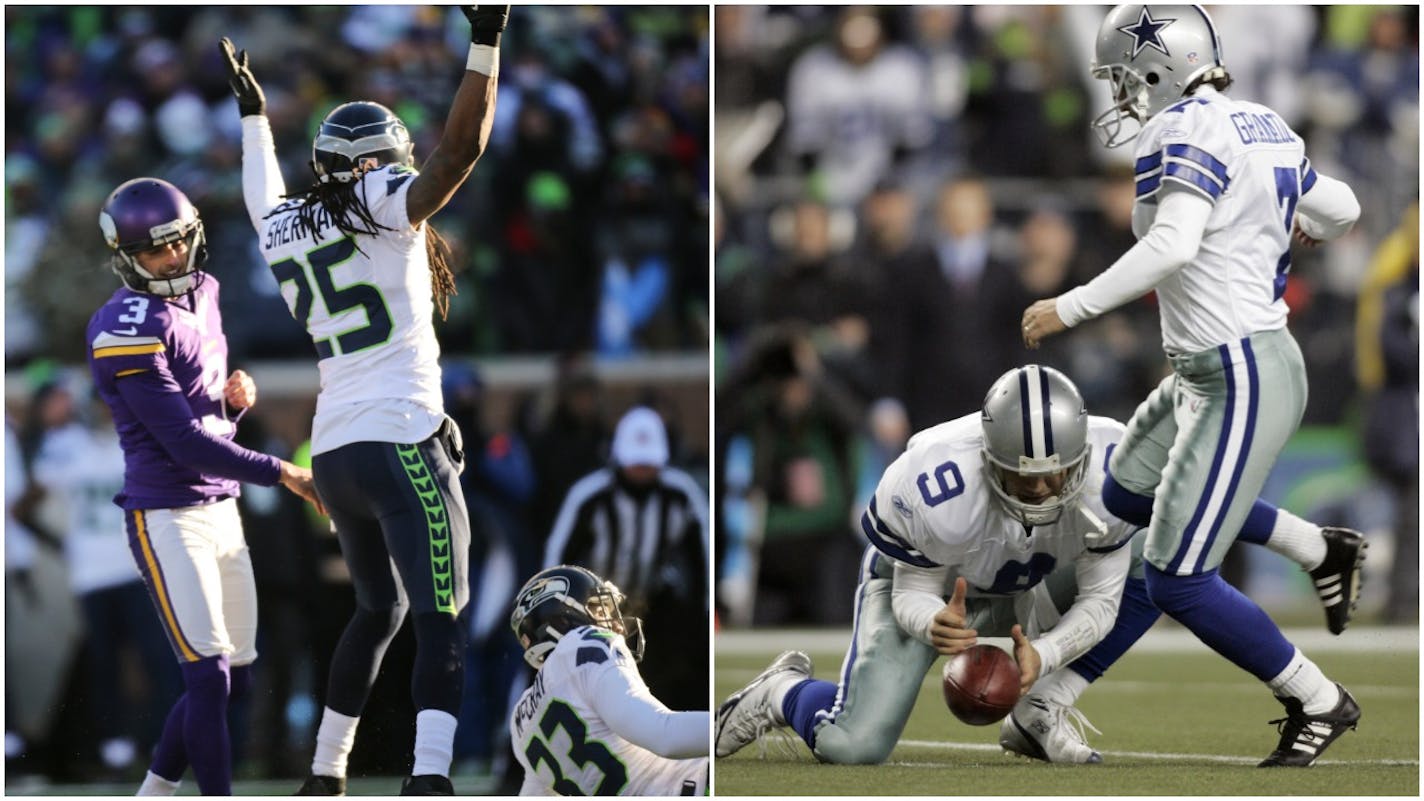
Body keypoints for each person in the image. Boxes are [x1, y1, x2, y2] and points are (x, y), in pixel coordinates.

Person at [1020, 4, 1364, 766]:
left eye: (1124, 77)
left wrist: (1067, 306)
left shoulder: (1179, 129)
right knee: (1119, 506)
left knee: (1177, 576)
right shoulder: (1262, 121)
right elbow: (1343, 207)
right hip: (1210, 371)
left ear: (1157, 68)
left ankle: (1318, 698)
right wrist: (1310, 228)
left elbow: (1171, 243)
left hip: (1240, 371)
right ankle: (1319, 547)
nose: (1121, 94)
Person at [715, 366, 1365, 766]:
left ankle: (1040, 709)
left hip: (1029, 580)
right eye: (1022, 478)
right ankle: (782, 693)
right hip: (939, 587)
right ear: (988, 458)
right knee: (853, 746)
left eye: (1056, 474)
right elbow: (913, 581)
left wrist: (1044, 657)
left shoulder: (1111, 467)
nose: (1041, 490)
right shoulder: (933, 483)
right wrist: (932, 621)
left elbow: (1104, 599)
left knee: (1158, 546)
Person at [220, 5, 508, 794]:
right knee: (440, 613)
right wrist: (484, 47)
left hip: (337, 449)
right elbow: (459, 153)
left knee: (375, 610)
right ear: (378, 163)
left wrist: (254, 121)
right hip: (402, 434)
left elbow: (261, 198)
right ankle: (430, 779)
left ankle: (324, 772)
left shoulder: (288, 226)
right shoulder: (381, 199)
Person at [86, 177, 323, 795]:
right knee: (208, 676)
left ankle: (155, 792)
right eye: (153, 250)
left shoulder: (207, 292)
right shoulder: (122, 325)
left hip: (221, 502)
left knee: (236, 674)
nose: (170, 258)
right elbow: (181, 441)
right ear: (124, 254)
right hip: (167, 512)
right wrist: (285, 472)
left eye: (177, 243)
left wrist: (231, 403)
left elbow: (202, 416)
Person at [542, 406, 709, 712]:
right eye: (636, 463)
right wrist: (559, 614)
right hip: (594, 610)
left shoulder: (680, 494)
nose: (643, 471)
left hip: (652, 606)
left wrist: (705, 612)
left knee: (683, 663)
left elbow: (703, 556)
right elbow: (557, 560)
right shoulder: (590, 496)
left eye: (649, 464)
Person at [508, 565, 709, 795]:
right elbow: (664, 735)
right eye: (597, 609)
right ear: (560, 620)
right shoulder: (584, 646)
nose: (611, 620)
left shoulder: (521, 721)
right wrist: (724, 728)